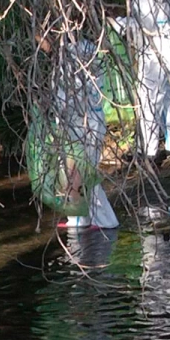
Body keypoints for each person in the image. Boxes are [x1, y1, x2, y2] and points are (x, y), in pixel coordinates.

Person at [113, 0, 170, 164]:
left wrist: (116, 23)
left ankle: (147, 152)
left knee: (148, 100)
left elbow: (144, 25)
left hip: (156, 48)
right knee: (169, 96)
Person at [54, 39, 119, 230]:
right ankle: (80, 219)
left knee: (80, 173)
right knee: (74, 172)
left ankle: (104, 221)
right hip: (83, 121)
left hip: (82, 123)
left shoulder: (73, 54)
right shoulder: (84, 49)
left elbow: (71, 93)